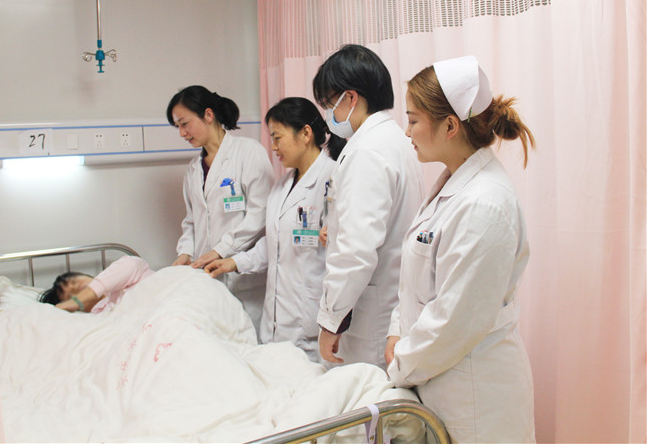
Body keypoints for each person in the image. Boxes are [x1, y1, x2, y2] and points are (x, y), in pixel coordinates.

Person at [384, 55, 536, 442]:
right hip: (439, 378)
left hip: (476, 395)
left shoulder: (485, 203)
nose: (407, 131)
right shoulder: (453, 186)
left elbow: (454, 319)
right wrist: (396, 333)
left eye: (413, 120)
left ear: (450, 125)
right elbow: (417, 284)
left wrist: (400, 362)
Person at [205, 97, 345, 362]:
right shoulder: (281, 186)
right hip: (275, 321)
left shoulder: (332, 180)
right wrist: (233, 263)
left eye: (278, 138)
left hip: (310, 320)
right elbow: (274, 244)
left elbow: (343, 251)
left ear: (305, 133)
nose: (273, 147)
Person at [312, 44, 424, 367]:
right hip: (390, 304)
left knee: (364, 393)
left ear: (350, 98)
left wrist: (330, 321)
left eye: (329, 104)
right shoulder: (394, 139)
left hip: (372, 318)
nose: (329, 115)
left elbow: (356, 251)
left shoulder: (366, 151)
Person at [167, 85, 274, 334]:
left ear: (208, 115)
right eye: (178, 127)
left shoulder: (248, 153)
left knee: (249, 343)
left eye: (185, 124)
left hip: (245, 280)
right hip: (208, 279)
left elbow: (260, 214)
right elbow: (191, 221)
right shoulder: (193, 170)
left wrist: (221, 249)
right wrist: (185, 252)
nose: (182, 133)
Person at [39, 256, 153, 314]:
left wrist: (76, 301)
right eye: (70, 295)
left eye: (74, 281)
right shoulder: (99, 316)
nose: (76, 287)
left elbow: (133, 263)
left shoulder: (120, 273)